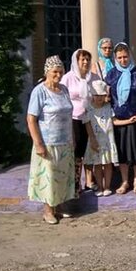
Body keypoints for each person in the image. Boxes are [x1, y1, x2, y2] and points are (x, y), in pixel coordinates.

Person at [27, 55, 75, 225]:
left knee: (62, 176)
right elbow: (31, 118)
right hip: (48, 142)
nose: (58, 75)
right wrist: (38, 143)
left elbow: (70, 115)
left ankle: (60, 207)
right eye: (55, 71)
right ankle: (48, 211)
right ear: (47, 72)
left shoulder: (64, 89)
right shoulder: (39, 91)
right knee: (49, 177)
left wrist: (72, 138)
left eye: (61, 71)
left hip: (65, 142)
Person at [105, 42, 136, 194]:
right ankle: (125, 181)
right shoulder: (111, 74)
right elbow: (106, 96)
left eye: (125, 57)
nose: (123, 60)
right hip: (120, 120)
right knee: (123, 152)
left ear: (130, 56)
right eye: (120, 58)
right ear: (115, 58)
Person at [61, 49, 101, 193]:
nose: (85, 62)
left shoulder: (94, 78)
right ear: (76, 61)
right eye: (82, 59)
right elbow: (62, 97)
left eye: (88, 59)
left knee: (87, 151)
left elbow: (102, 94)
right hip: (73, 119)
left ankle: (89, 181)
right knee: (75, 152)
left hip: (91, 119)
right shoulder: (68, 78)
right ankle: (73, 185)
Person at [82, 80, 118, 197]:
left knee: (107, 164)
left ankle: (107, 186)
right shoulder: (89, 108)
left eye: (101, 96)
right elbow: (87, 123)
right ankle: (100, 186)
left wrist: (130, 120)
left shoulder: (108, 107)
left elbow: (114, 121)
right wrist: (92, 139)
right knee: (97, 164)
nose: (99, 98)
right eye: (96, 95)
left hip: (107, 140)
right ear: (92, 96)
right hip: (95, 140)